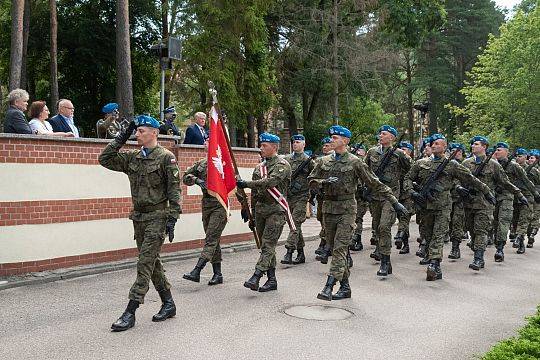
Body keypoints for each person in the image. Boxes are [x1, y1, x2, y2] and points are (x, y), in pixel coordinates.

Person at [98, 115, 181, 332]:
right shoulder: (132, 157)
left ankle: (131, 311)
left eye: (141, 131)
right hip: (139, 218)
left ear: (154, 132)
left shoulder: (166, 157)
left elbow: (174, 190)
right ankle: (169, 303)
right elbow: (104, 159)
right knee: (152, 263)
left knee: (144, 263)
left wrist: (172, 218)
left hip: (158, 217)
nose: (137, 134)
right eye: (136, 131)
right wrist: (121, 137)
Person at [309, 125, 406, 300]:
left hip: (347, 209)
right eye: (331, 137)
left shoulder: (355, 162)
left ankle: (328, 286)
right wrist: (322, 183)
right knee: (336, 248)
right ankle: (345, 287)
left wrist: (394, 202)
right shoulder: (323, 161)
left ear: (345, 141)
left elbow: (374, 183)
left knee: (339, 249)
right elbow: (312, 181)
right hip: (329, 209)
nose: (332, 140)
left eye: (336, 138)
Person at [405, 134, 492, 281]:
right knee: (427, 234)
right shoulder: (420, 163)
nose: (434, 145)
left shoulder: (452, 165)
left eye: (438, 143)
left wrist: (486, 191)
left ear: (445, 147)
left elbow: (470, 178)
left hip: (443, 206)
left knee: (439, 235)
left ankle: (434, 264)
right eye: (432, 143)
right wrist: (412, 193)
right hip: (425, 206)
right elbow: (408, 178)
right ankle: (432, 259)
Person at [237, 133, 291, 293]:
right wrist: (251, 214)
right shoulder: (259, 167)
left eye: (264, 146)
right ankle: (272, 279)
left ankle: (257, 275)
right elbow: (255, 195)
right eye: (261, 145)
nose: (261, 148)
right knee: (267, 247)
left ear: (274, 147)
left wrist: (247, 183)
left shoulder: (282, 165)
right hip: (260, 211)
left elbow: (270, 182)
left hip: (276, 210)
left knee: (268, 244)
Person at [461, 136, 524, 271]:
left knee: (481, 230)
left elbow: (505, 182)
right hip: (469, 203)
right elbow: (455, 179)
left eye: (476, 144)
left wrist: (519, 194)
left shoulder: (493, 164)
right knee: (471, 229)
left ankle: (478, 258)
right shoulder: (466, 163)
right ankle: (477, 248)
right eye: (472, 144)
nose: (473, 146)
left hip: (485, 204)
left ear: (484, 147)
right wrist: (459, 188)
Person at [365, 125, 412, 274]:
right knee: (377, 225)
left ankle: (385, 261)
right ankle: (380, 249)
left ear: (392, 137)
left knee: (384, 226)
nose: (381, 135)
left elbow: (411, 170)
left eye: (384, 134)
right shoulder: (372, 152)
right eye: (380, 133)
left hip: (390, 195)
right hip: (375, 194)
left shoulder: (399, 154)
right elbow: (364, 170)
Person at [182, 136, 227, 285]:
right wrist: (196, 180)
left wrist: (244, 207)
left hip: (219, 205)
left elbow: (233, 185)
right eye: (204, 141)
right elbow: (185, 177)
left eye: (208, 141)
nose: (204, 143)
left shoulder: (223, 163)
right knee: (214, 240)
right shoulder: (201, 164)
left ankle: (197, 271)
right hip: (206, 204)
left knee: (210, 239)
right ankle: (218, 274)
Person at [280, 134, 315, 265]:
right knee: (293, 225)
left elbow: (314, 178)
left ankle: (289, 252)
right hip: (289, 196)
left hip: (302, 196)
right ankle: (301, 254)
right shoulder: (286, 159)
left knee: (295, 224)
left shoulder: (309, 160)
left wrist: (312, 194)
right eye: (294, 142)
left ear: (304, 144)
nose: (295, 144)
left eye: (298, 142)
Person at [511, 148, 540, 253]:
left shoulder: (533, 170)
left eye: (520, 156)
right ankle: (521, 243)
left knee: (524, 220)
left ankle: (519, 238)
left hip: (528, 198)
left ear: (525, 157)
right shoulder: (513, 168)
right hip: (515, 197)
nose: (518, 158)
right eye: (517, 156)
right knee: (515, 221)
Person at [314, 137, 334, 259]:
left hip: (333, 197)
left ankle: (325, 244)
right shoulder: (320, 161)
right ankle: (326, 242)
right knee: (321, 218)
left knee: (328, 221)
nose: (324, 148)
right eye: (324, 146)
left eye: (327, 145)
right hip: (322, 196)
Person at [394, 141, 415, 254]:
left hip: (407, 195)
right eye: (401, 149)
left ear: (410, 152)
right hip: (396, 194)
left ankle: (400, 234)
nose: (402, 151)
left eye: (405, 149)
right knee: (400, 218)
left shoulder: (410, 162)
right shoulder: (396, 162)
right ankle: (405, 244)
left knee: (404, 217)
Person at [447, 142, 467, 259]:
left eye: (459, 151)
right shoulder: (448, 165)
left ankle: (455, 247)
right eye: (455, 151)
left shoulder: (466, 164)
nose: (458, 153)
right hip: (447, 198)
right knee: (448, 223)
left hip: (460, 199)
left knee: (457, 223)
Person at [350, 144, 368, 252]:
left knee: (358, 218)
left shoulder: (363, 163)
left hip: (361, 196)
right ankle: (357, 240)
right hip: (353, 195)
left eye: (360, 150)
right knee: (354, 219)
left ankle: (356, 238)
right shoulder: (352, 161)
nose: (357, 152)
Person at [526, 149, 540, 247]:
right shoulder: (525, 168)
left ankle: (532, 235)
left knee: (535, 216)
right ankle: (529, 234)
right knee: (527, 216)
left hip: (537, 195)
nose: (530, 159)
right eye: (529, 158)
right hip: (527, 195)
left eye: (532, 158)